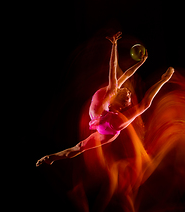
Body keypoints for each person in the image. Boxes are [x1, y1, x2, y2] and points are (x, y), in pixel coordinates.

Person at [36, 32, 174, 166]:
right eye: (129, 94)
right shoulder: (113, 93)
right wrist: (140, 63)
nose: (129, 92)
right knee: (80, 147)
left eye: (128, 96)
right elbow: (127, 74)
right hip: (107, 128)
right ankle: (51, 158)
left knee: (81, 146)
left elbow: (113, 67)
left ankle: (51, 158)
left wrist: (114, 45)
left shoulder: (112, 91)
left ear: (121, 103)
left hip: (109, 122)